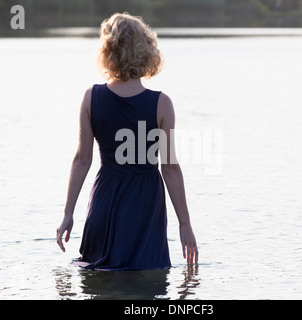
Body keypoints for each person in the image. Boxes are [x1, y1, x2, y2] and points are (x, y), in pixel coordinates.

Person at [56, 12, 198, 270]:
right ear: (145, 50)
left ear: (107, 51)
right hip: (144, 209)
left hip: (104, 201)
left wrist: (68, 213)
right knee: (145, 279)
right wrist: (185, 225)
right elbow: (170, 168)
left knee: (100, 275)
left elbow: (82, 159)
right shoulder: (162, 104)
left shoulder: (91, 98)